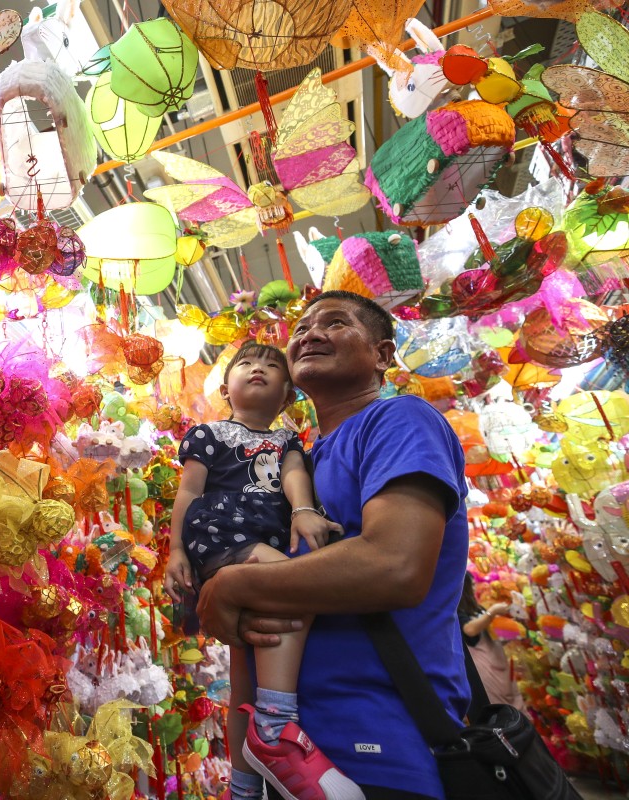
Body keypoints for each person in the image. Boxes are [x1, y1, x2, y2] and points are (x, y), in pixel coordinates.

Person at [197, 291, 471, 800]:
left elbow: (395, 565)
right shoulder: (298, 459)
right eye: (301, 328)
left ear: (384, 356)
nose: (310, 333)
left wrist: (236, 585)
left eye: (336, 322)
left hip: (376, 741)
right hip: (287, 751)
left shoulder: (399, 420)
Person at [164, 342, 361, 800]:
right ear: (227, 388)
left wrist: (303, 510)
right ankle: (275, 726)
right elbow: (188, 494)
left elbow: (294, 476)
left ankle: (245, 782)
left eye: (272, 367)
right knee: (300, 588)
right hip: (221, 533)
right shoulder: (207, 434)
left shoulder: (289, 441)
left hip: (265, 537)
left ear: (289, 395)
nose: (258, 369)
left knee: (243, 675)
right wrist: (175, 549)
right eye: (247, 364)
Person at [458, 571, 525, 710]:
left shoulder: (477, 608)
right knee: (502, 709)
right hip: (485, 669)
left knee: (517, 705)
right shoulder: (459, 612)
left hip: (499, 661)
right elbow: (469, 630)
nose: (475, 588)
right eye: (473, 584)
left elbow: (493, 632)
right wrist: (492, 612)